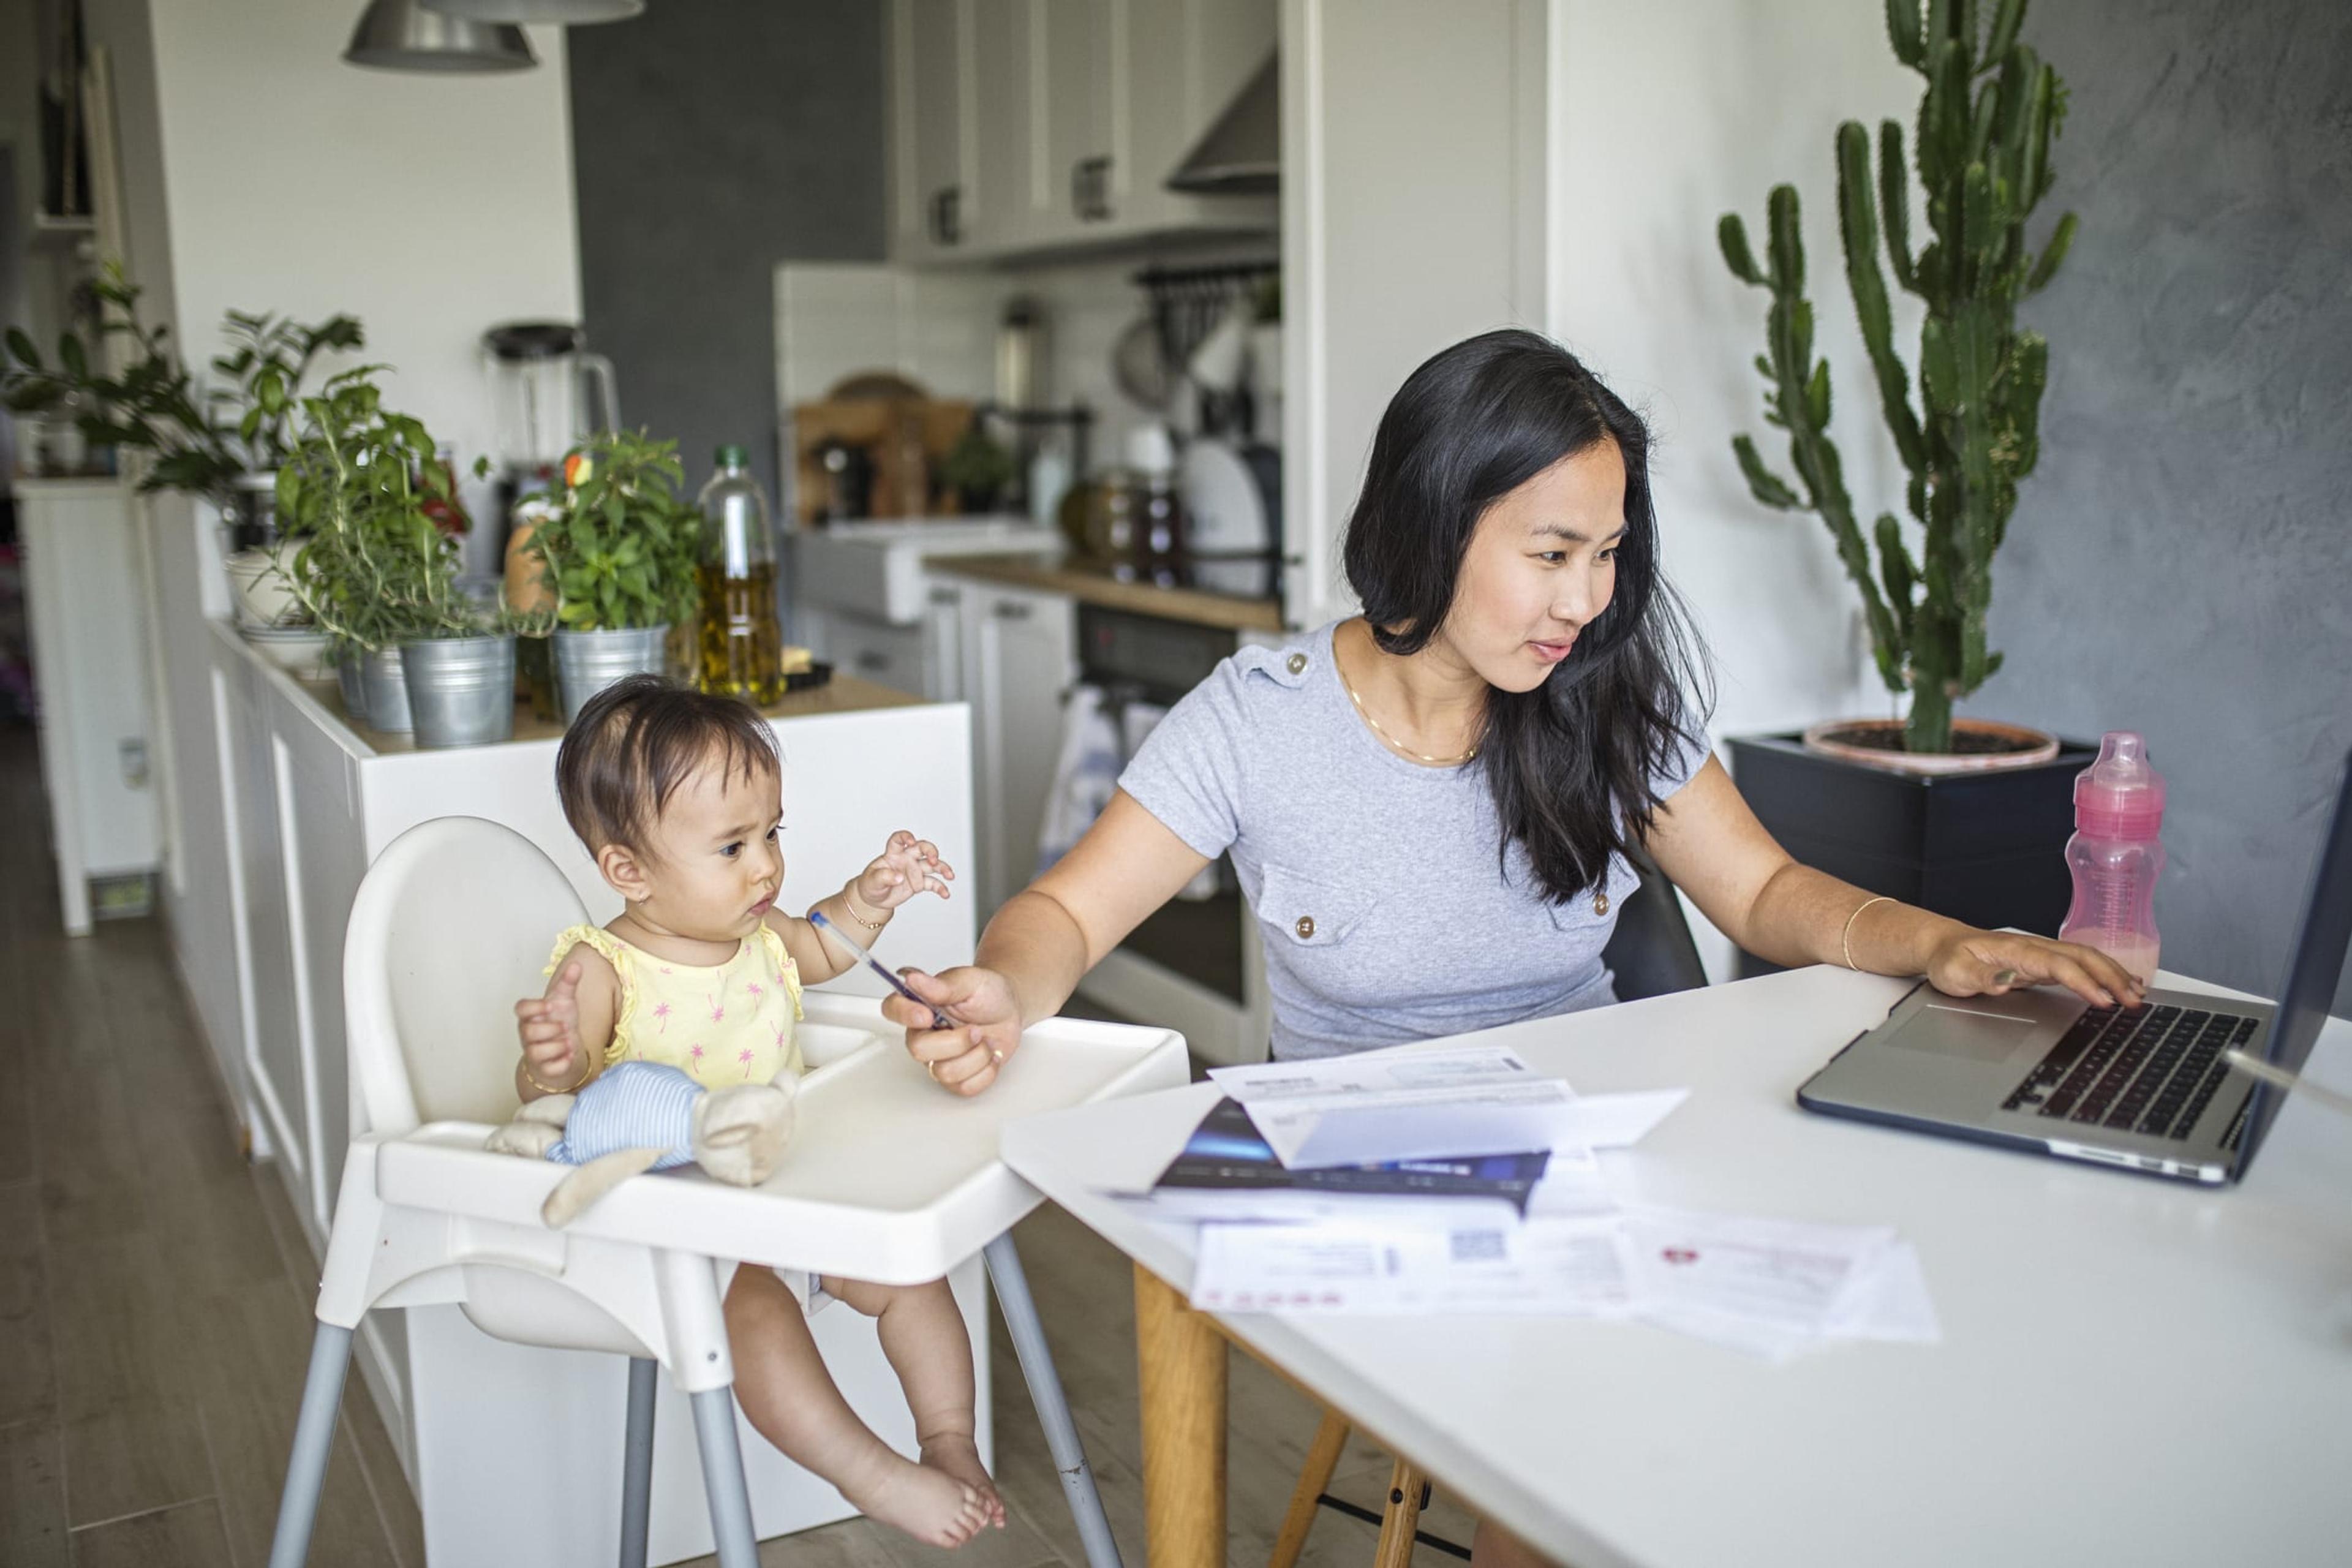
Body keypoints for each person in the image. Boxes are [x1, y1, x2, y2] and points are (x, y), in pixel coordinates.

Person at [884, 328, 2143, 1564]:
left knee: (1792, 1350)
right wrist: (1005, 983)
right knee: (1571, 1398)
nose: (1586, 599)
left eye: (1604, 555)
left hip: (1584, 1145)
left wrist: (1945, 943)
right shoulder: (1258, 724)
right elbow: (1064, 915)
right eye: (1550, 552)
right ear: (1434, 526)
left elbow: (1761, 891)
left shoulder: (1599, 697)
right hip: (1361, 1163)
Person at [510, 674, 1003, 1548]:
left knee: (913, 1275)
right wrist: (551, 1059)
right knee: (755, 1314)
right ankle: (874, 1473)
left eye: (773, 832)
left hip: (787, 1202)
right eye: (733, 847)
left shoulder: (762, 938)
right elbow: (568, 1094)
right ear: (628, 869)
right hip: (676, 1230)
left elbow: (828, 944)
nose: (769, 865)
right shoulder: (602, 968)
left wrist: (876, 893)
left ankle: (948, 1439)